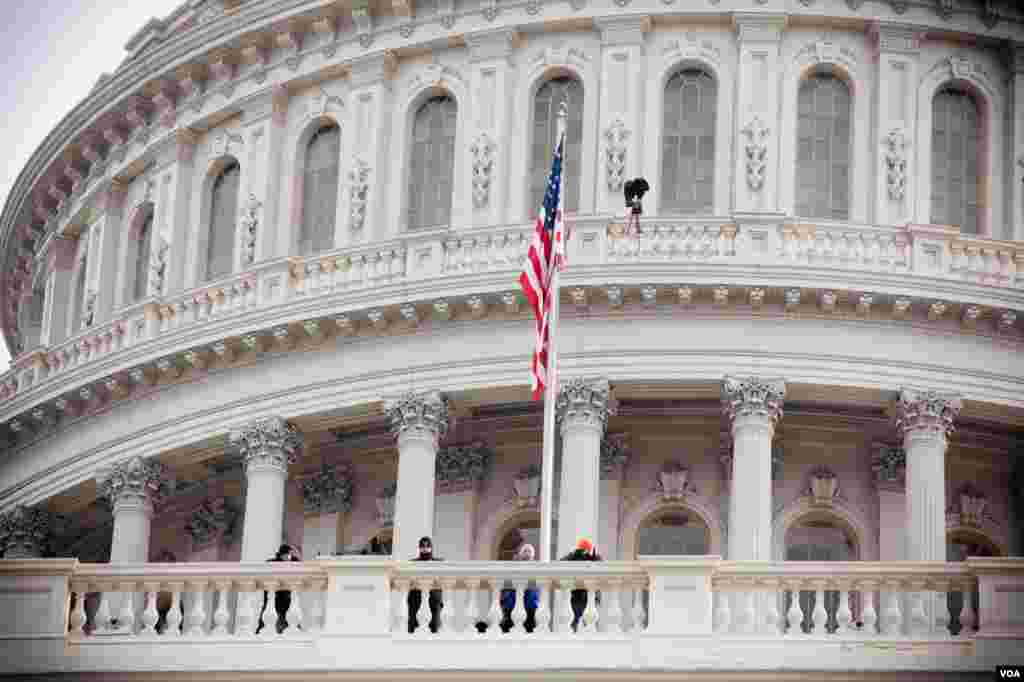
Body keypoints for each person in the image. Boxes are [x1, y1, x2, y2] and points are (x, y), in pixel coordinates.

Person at [257, 544, 301, 634]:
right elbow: (266, 565)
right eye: (287, 555)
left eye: (290, 555)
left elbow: (299, 563)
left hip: (286, 599)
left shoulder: (293, 562)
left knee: (290, 621)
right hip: (274, 598)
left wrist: (296, 554)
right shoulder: (273, 562)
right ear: (281, 555)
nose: (288, 557)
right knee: (267, 621)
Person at [561, 538, 602, 631]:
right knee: (576, 620)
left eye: (586, 548)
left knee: (590, 620)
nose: (584, 551)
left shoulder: (593, 557)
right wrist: (573, 554)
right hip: (577, 595)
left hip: (590, 594)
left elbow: (600, 563)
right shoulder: (574, 557)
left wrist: (593, 555)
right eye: (582, 549)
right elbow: (562, 561)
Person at [500, 543, 540, 633]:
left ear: (532, 555)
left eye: (529, 551)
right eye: (525, 551)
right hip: (513, 596)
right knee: (509, 620)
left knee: (529, 621)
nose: (527, 553)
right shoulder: (515, 563)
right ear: (521, 553)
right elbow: (508, 579)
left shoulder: (535, 566)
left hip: (529, 598)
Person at [408, 536, 444, 633]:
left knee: (436, 595)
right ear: (419, 548)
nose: (425, 548)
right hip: (418, 585)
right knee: (414, 594)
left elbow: (442, 577)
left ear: (431, 547)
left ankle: (435, 622)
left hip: (433, 585)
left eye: (427, 546)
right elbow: (410, 578)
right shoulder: (413, 562)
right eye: (422, 546)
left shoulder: (439, 562)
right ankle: (412, 620)